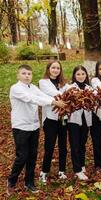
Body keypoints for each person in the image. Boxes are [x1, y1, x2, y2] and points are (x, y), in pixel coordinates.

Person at [7, 65, 65, 194]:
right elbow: (33, 99)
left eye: (29, 73)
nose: (27, 76)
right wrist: (54, 103)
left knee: (32, 156)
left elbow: (42, 96)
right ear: (18, 75)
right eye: (24, 73)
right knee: (22, 156)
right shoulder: (15, 88)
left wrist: (55, 100)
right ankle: (11, 180)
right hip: (21, 127)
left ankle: (29, 183)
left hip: (34, 126)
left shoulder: (33, 87)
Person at [39, 61, 68, 184]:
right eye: (53, 68)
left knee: (63, 146)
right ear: (48, 69)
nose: (55, 70)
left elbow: (71, 91)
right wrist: (67, 95)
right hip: (50, 119)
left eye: (58, 68)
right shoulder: (43, 82)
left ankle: (62, 170)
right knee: (49, 146)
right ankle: (44, 172)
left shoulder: (64, 83)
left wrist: (69, 93)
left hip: (63, 118)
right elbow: (54, 94)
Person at [67, 65, 92, 180]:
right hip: (73, 120)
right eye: (78, 74)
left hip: (86, 119)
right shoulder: (70, 87)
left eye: (83, 74)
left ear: (86, 75)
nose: (81, 76)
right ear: (74, 76)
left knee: (82, 143)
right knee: (75, 144)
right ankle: (77, 170)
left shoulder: (89, 88)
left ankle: (81, 165)